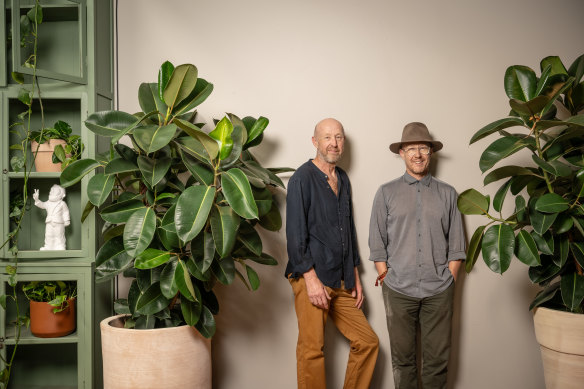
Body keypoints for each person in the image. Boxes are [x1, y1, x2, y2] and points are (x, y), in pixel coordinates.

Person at [369, 122, 466, 389]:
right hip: (398, 289)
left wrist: (449, 278)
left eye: (423, 147)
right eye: (412, 148)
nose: (418, 154)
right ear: (402, 152)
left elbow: (457, 245)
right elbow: (377, 243)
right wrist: (385, 277)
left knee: (437, 362)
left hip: (439, 290)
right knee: (403, 362)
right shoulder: (386, 193)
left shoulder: (448, 194)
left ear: (431, 152)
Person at [285, 118, 379, 389]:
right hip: (311, 277)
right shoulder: (302, 178)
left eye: (338, 137)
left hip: (340, 279)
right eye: (327, 137)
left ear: (343, 142)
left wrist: (355, 276)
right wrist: (311, 279)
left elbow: (347, 230)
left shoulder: (343, 179)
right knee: (312, 349)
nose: (333, 143)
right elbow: (294, 234)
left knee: (368, 342)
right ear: (315, 142)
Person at [33, 184, 70, 250]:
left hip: (59, 222)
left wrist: (67, 220)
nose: (51, 192)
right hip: (49, 221)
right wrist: (37, 199)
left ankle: (60, 246)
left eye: (54, 191)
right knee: (48, 235)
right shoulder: (48, 202)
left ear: (61, 195)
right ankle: (48, 246)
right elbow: (42, 205)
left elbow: (65, 212)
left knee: (59, 235)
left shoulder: (62, 203)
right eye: (51, 191)